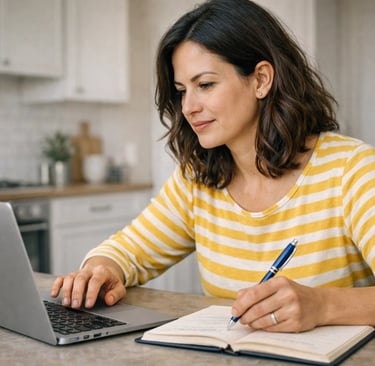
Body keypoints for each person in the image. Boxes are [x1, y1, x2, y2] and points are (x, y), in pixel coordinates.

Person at [51, 0, 375, 333]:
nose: (189, 107)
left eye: (205, 85)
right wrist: (102, 269)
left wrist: (322, 305)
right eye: (181, 91)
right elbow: (128, 251)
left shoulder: (351, 170)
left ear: (261, 79)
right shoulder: (198, 179)